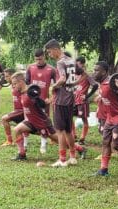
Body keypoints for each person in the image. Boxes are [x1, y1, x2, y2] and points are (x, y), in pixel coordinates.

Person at [44, 39, 86, 167]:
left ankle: (62, 160)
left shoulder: (61, 62)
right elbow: (82, 74)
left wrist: (53, 86)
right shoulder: (71, 60)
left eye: (50, 52)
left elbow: (62, 78)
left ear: (56, 49)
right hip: (70, 99)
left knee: (60, 131)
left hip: (60, 100)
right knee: (68, 130)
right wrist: (74, 85)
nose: (50, 55)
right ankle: (72, 157)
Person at [10, 72, 58, 160]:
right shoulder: (22, 92)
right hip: (30, 122)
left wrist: (49, 99)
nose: (13, 86)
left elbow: (42, 104)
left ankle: (80, 148)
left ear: (21, 82)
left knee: (59, 141)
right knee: (16, 130)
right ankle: (22, 154)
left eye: (14, 84)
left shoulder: (30, 92)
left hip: (42, 122)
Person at [25, 49, 57, 154]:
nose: (39, 61)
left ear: (44, 57)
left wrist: (51, 98)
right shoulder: (30, 68)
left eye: (41, 58)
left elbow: (58, 86)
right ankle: (25, 144)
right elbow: (26, 84)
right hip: (31, 102)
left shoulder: (51, 69)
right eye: (36, 59)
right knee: (27, 121)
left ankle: (43, 145)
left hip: (44, 102)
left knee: (43, 124)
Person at [72, 56, 99, 145]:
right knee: (69, 117)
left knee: (84, 120)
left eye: (78, 64)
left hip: (82, 102)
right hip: (73, 101)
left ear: (82, 64)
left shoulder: (87, 75)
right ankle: (74, 135)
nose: (76, 66)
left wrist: (87, 96)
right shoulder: (75, 74)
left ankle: (82, 138)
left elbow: (95, 85)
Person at [0, 68, 25, 146]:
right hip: (17, 110)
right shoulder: (12, 85)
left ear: (12, 76)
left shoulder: (19, 85)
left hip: (22, 110)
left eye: (7, 76)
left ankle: (9, 140)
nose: (5, 78)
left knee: (4, 119)